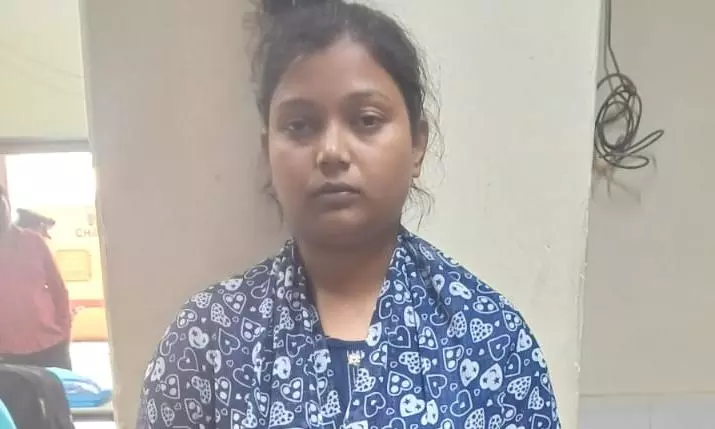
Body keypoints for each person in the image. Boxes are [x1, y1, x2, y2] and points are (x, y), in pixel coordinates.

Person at [137, 1, 561, 428]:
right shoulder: (207, 341)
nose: (331, 152)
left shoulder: (490, 338)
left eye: (366, 120)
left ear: (417, 143)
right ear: (267, 152)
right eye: (300, 126)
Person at [0, 185, 72, 369]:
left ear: (7, 205)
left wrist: (63, 331)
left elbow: (59, 290)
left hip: (49, 347)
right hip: (5, 357)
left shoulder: (34, 242)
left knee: (59, 388)